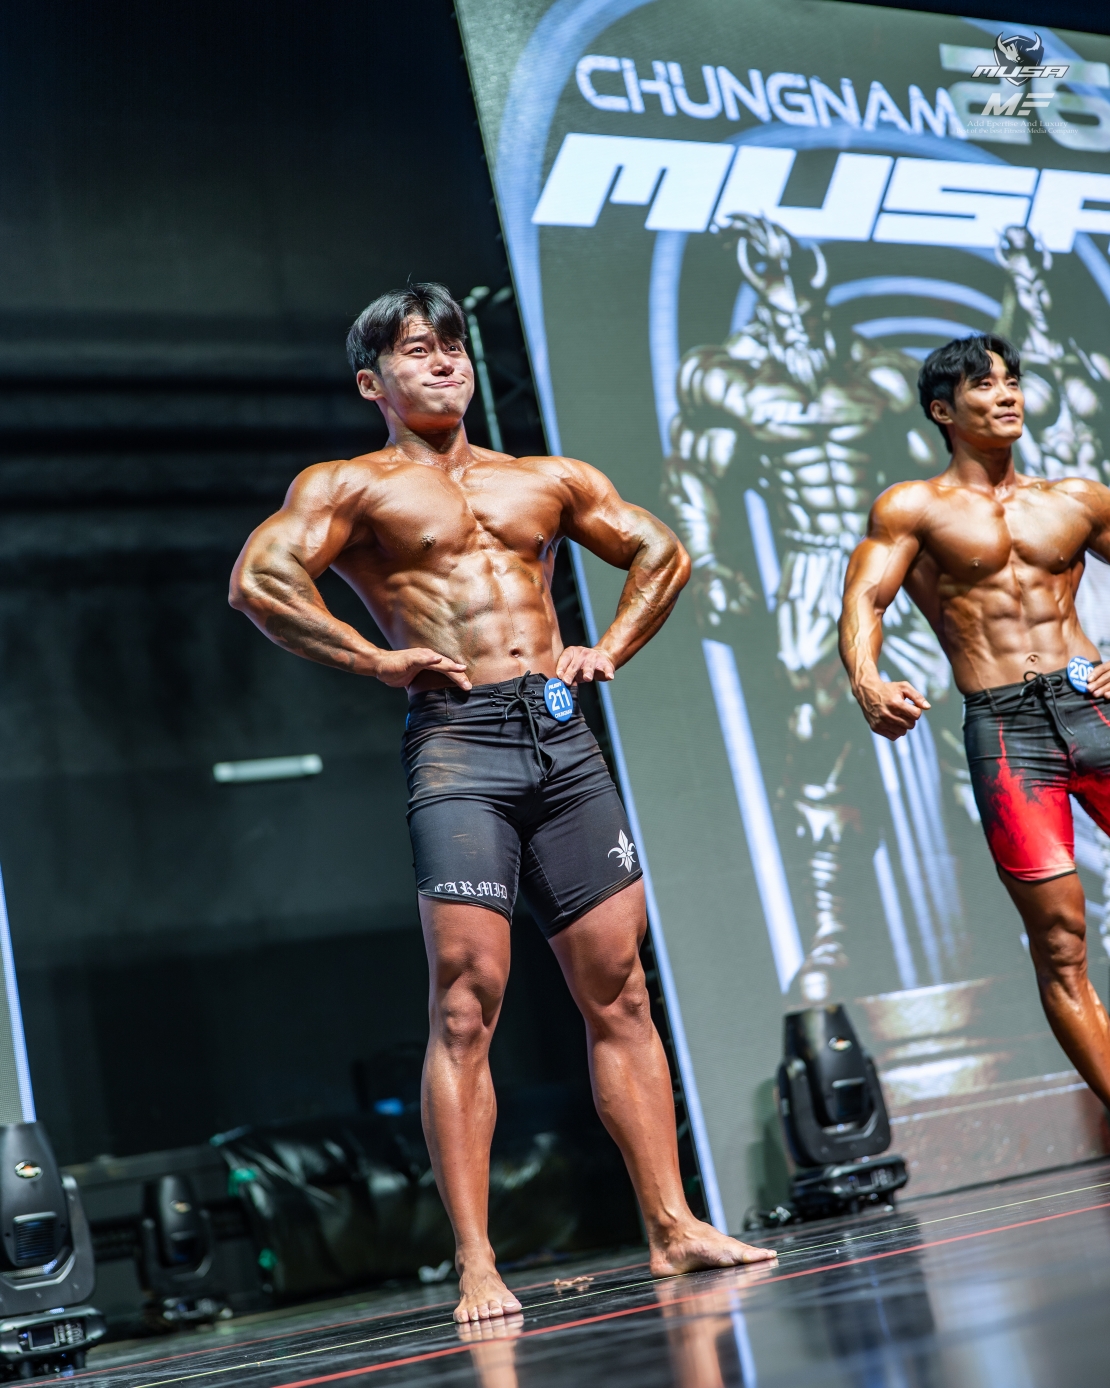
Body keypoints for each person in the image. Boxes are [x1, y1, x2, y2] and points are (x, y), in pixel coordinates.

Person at [229, 282, 775, 1323]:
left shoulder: (546, 479)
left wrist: (608, 646)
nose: (444, 363)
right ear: (372, 383)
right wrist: (374, 658)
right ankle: (478, 1262)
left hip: (563, 742)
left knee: (621, 994)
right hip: (459, 746)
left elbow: (661, 551)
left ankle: (673, 1228)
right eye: (417, 350)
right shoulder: (350, 485)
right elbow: (260, 582)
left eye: (452, 347)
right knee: (466, 1004)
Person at [840, 332, 1110, 1108]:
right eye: (985, 385)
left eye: (1012, 380)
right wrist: (866, 678)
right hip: (1007, 732)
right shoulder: (913, 508)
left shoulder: (1076, 500)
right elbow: (865, 599)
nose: (1007, 394)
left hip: (1093, 707)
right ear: (943, 410)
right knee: (1059, 941)